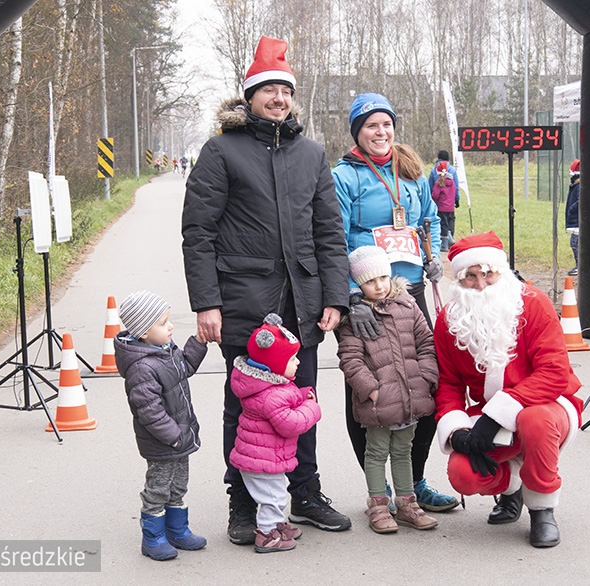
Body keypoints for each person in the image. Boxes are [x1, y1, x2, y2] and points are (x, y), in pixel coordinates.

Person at [181, 36, 351, 545]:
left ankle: (303, 491)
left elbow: (329, 233)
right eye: (268, 90)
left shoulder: (312, 154)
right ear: (250, 95)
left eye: (285, 90)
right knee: (247, 407)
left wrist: (335, 297)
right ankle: (244, 501)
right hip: (244, 304)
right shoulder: (220, 151)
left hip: (301, 304)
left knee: (301, 400)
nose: (278, 98)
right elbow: (199, 233)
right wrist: (207, 302)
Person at [332, 92, 459, 513]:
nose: (380, 132)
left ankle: (413, 481)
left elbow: (428, 221)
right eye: (371, 125)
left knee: (421, 381)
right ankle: (378, 490)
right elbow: (333, 237)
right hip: (366, 295)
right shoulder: (345, 176)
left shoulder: (411, 172)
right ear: (358, 132)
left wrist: (434, 254)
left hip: (410, 290)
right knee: (368, 385)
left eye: (386, 124)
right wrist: (351, 293)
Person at [432, 232, 583, 548]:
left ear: (501, 270)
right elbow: (449, 383)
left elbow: (554, 373)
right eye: (470, 277)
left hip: (547, 405)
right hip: (490, 414)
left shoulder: (533, 302)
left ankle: (542, 509)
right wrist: (456, 430)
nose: (481, 285)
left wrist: (498, 412)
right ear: (459, 280)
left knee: (534, 420)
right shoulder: (449, 319)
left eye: (487, 273)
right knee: (462, 472)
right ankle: (511, 486)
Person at [337, 246, 439, 533]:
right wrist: (371, 391)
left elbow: (426, 344)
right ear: (358, 284)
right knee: (376, 452)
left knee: (404, 451)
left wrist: (426, 377)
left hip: (410, 397)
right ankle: (379, 505)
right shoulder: (354, 319)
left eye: (383, 277)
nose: (379, 285)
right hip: (378, 403)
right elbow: (350, 359)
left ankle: (407, 503)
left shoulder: (408, 306)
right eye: (370, 281)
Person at [114, 290, 208, 561]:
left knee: (179, 485)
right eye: (163, 323)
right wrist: (173, 436)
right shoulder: (142, 367)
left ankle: (177, 529)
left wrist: (199, 342)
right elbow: (149, 411)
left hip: (180, 436)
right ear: (144, 331)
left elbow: (185, 366)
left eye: (169, 320)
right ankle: (153, 538)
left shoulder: (165, 351)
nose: (171, 326)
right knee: (158, 488)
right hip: (164, 440)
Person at [230, 314, 322, 553]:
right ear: (275, 365)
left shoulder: (268, 384)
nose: (298, 363)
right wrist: (312, 407)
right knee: (274, 497)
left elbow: (284, 400)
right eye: (293, 359)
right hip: (262, 461)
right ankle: (268, 534)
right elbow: (290, 423)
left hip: (259, 457)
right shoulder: (272, 394)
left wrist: (301, 396)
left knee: (275, 494)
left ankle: (278, 524)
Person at [428, 150, 459, 251]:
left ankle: (445, 241)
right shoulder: (453, 171)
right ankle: (451, 237)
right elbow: (456, 188)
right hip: (450, 204)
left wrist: (431, 200)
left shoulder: (434, 171)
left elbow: (431, 188)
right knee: (451, 220)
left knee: (442, 222)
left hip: (440, 204)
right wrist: (457, 200)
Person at [566, 159, 580, 276]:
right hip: (575, 221)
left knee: (575, 243)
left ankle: (579, 266)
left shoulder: (579, 186)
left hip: (578, 222)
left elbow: (580, 201)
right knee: (574, 243)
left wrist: (572, 209)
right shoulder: (576, 186)